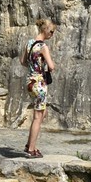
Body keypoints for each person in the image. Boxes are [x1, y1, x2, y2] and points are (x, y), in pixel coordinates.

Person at [21, 18, 56, 158]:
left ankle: (29, 144)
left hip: (29, 81)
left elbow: (22, 61)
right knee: (38, 116)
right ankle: (31, 149)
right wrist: (46, 66)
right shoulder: (43, 46)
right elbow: (51, 66)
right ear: (45, 30)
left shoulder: (29, 43)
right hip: (39, 83)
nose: (52, 35)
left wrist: (33, 67)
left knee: (42, 113)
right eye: (51, 31)